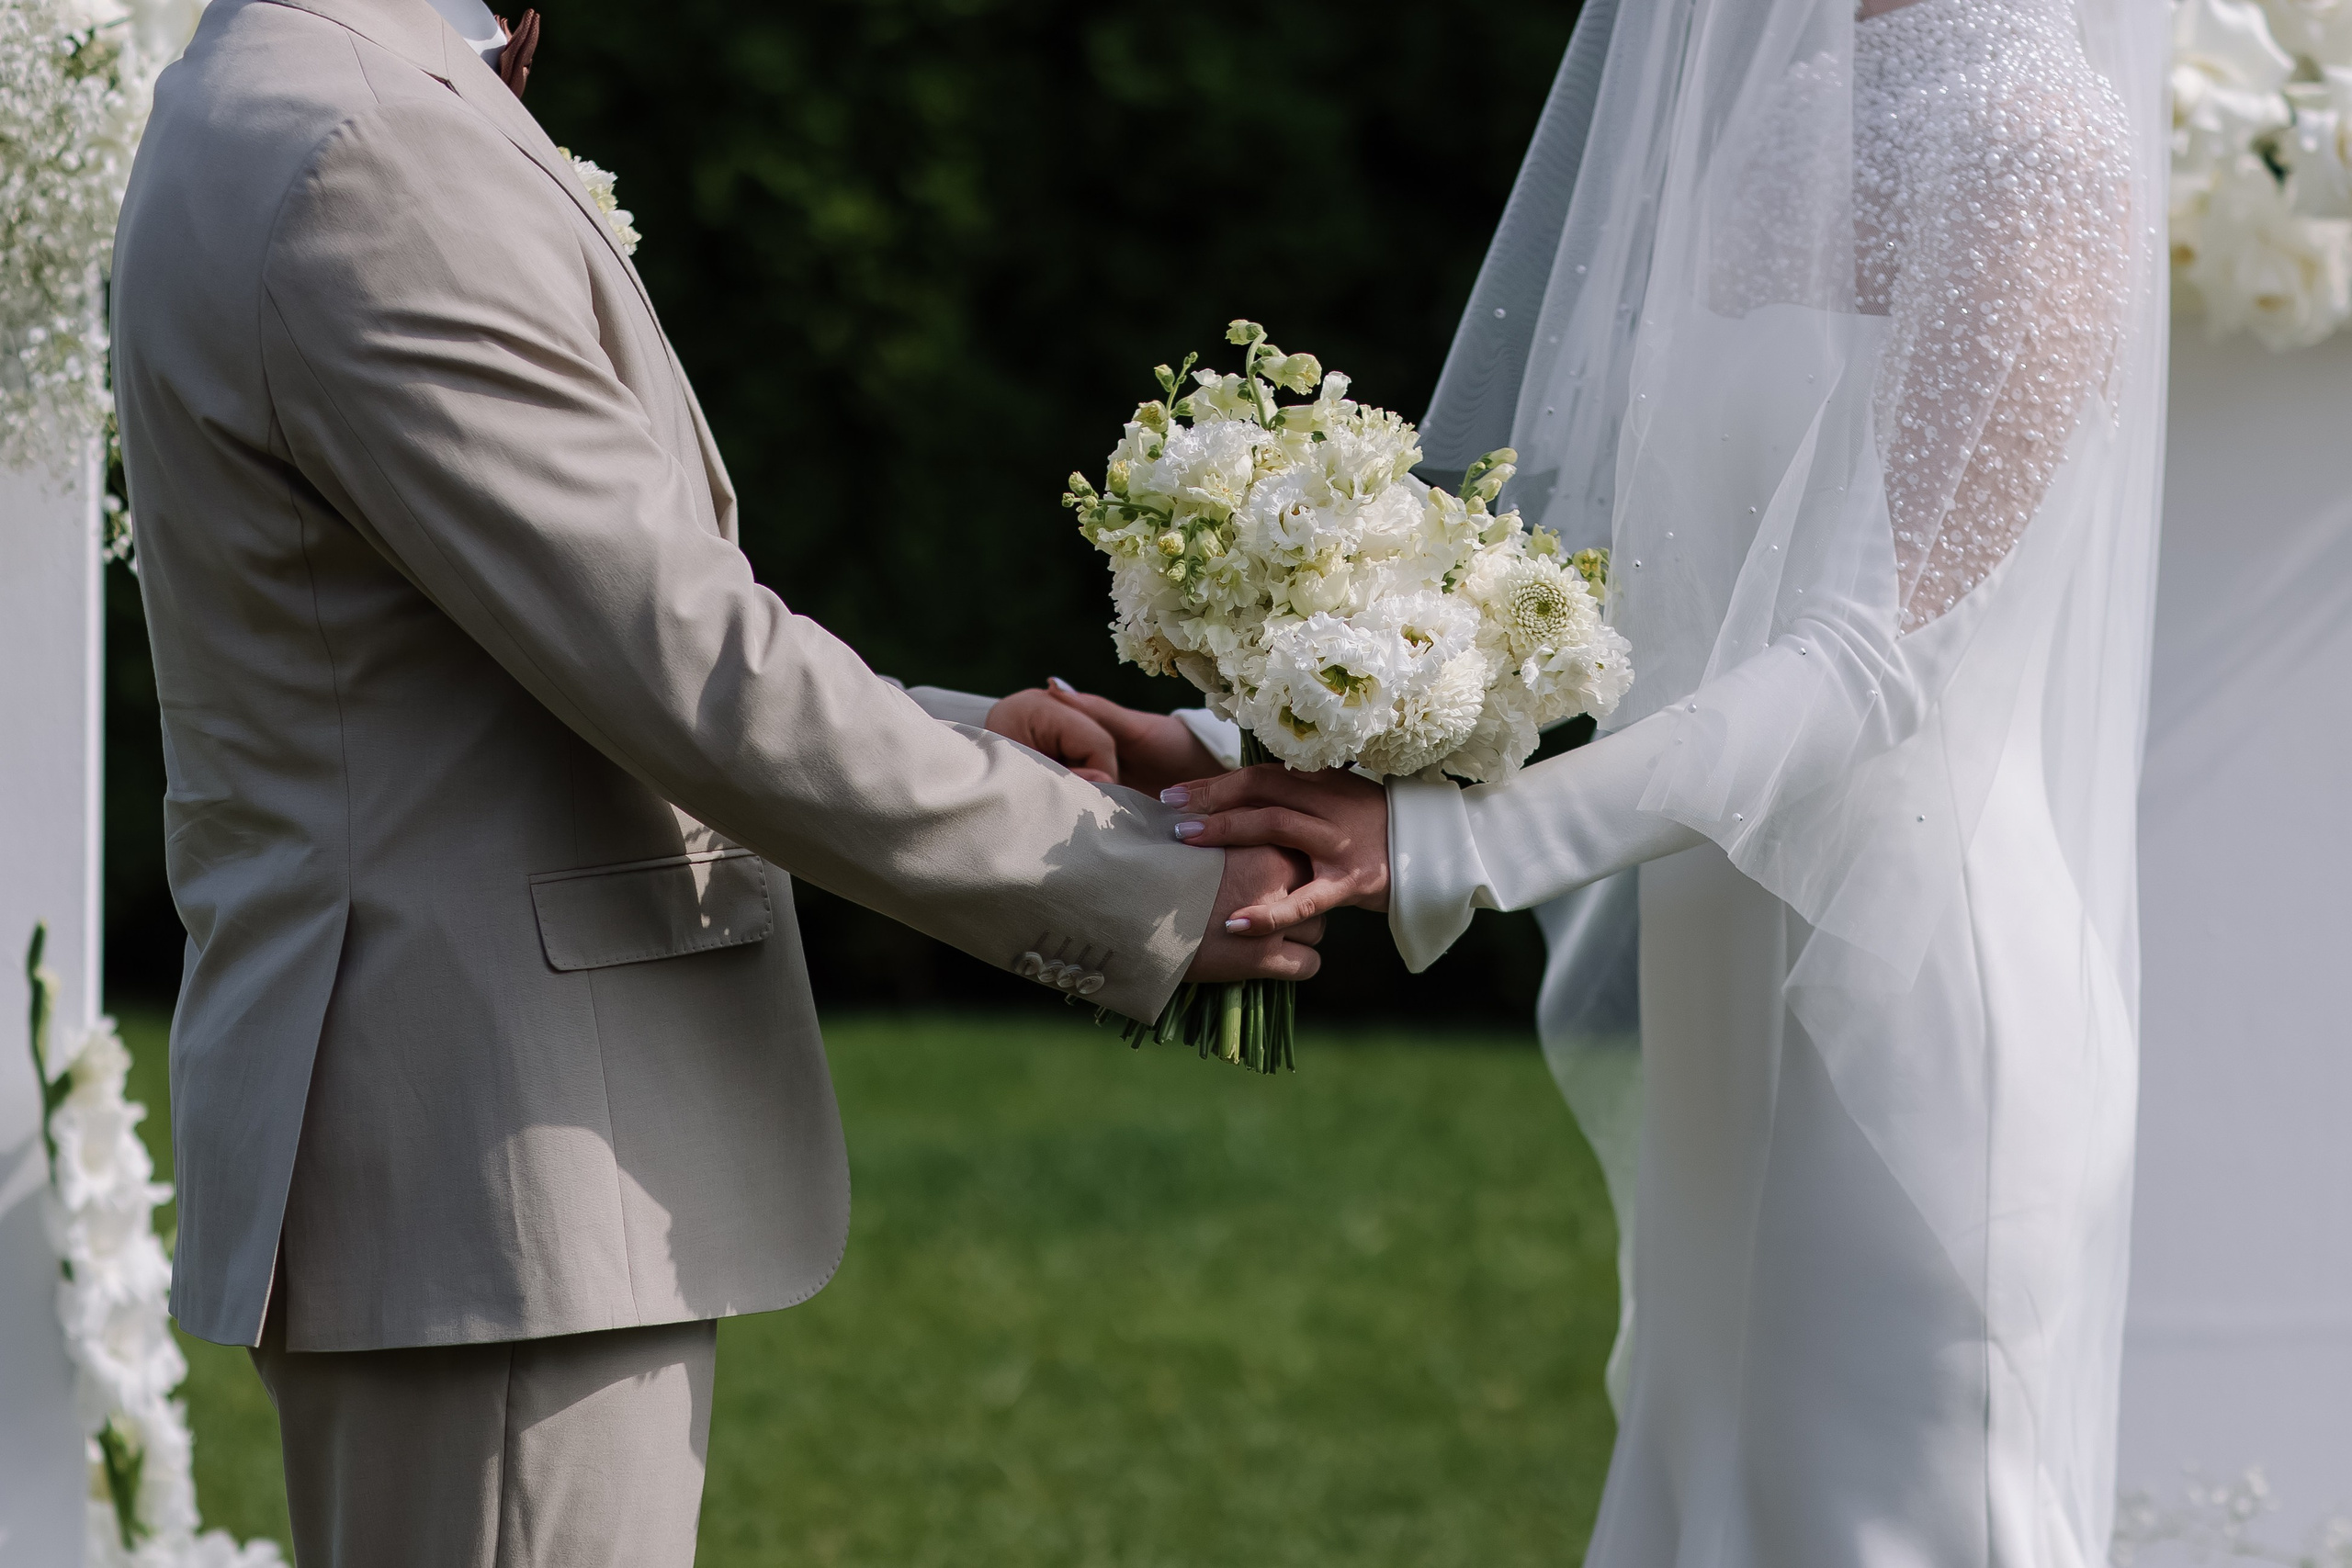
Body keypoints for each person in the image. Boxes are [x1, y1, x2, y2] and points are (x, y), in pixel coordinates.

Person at [107, 0, 1320, 1562]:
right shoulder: (364, 150)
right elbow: (683, 662)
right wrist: (1142, 883)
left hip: (458, 1150)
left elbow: (517, 667)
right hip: (496, 1163)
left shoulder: (263, 94)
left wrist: (973, 743)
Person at [1001, 0, 2170, 1560]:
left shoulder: (2032, 136)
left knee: (1892, 1516)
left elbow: (1873, 662)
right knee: (1713, 1502)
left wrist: (1457, 848)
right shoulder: (1785, 108)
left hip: (1903, 993)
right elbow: (1634, 617)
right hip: (1722, 971)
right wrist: (1259, 751)